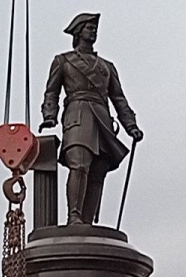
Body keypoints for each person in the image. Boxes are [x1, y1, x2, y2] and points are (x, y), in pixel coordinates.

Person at [39, 12, 143, 225]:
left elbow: (118, 98)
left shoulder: (107, 66)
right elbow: (52, 92)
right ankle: (74, 216)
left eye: (94, 27)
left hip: (102, 119)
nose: (93, 30)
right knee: (79, 164)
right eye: (88, 27)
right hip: (77, 114)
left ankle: (87, 222)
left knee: (98, 171)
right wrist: (50, 115)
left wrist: (130, 125)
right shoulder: (63, 61)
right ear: (78, 32)